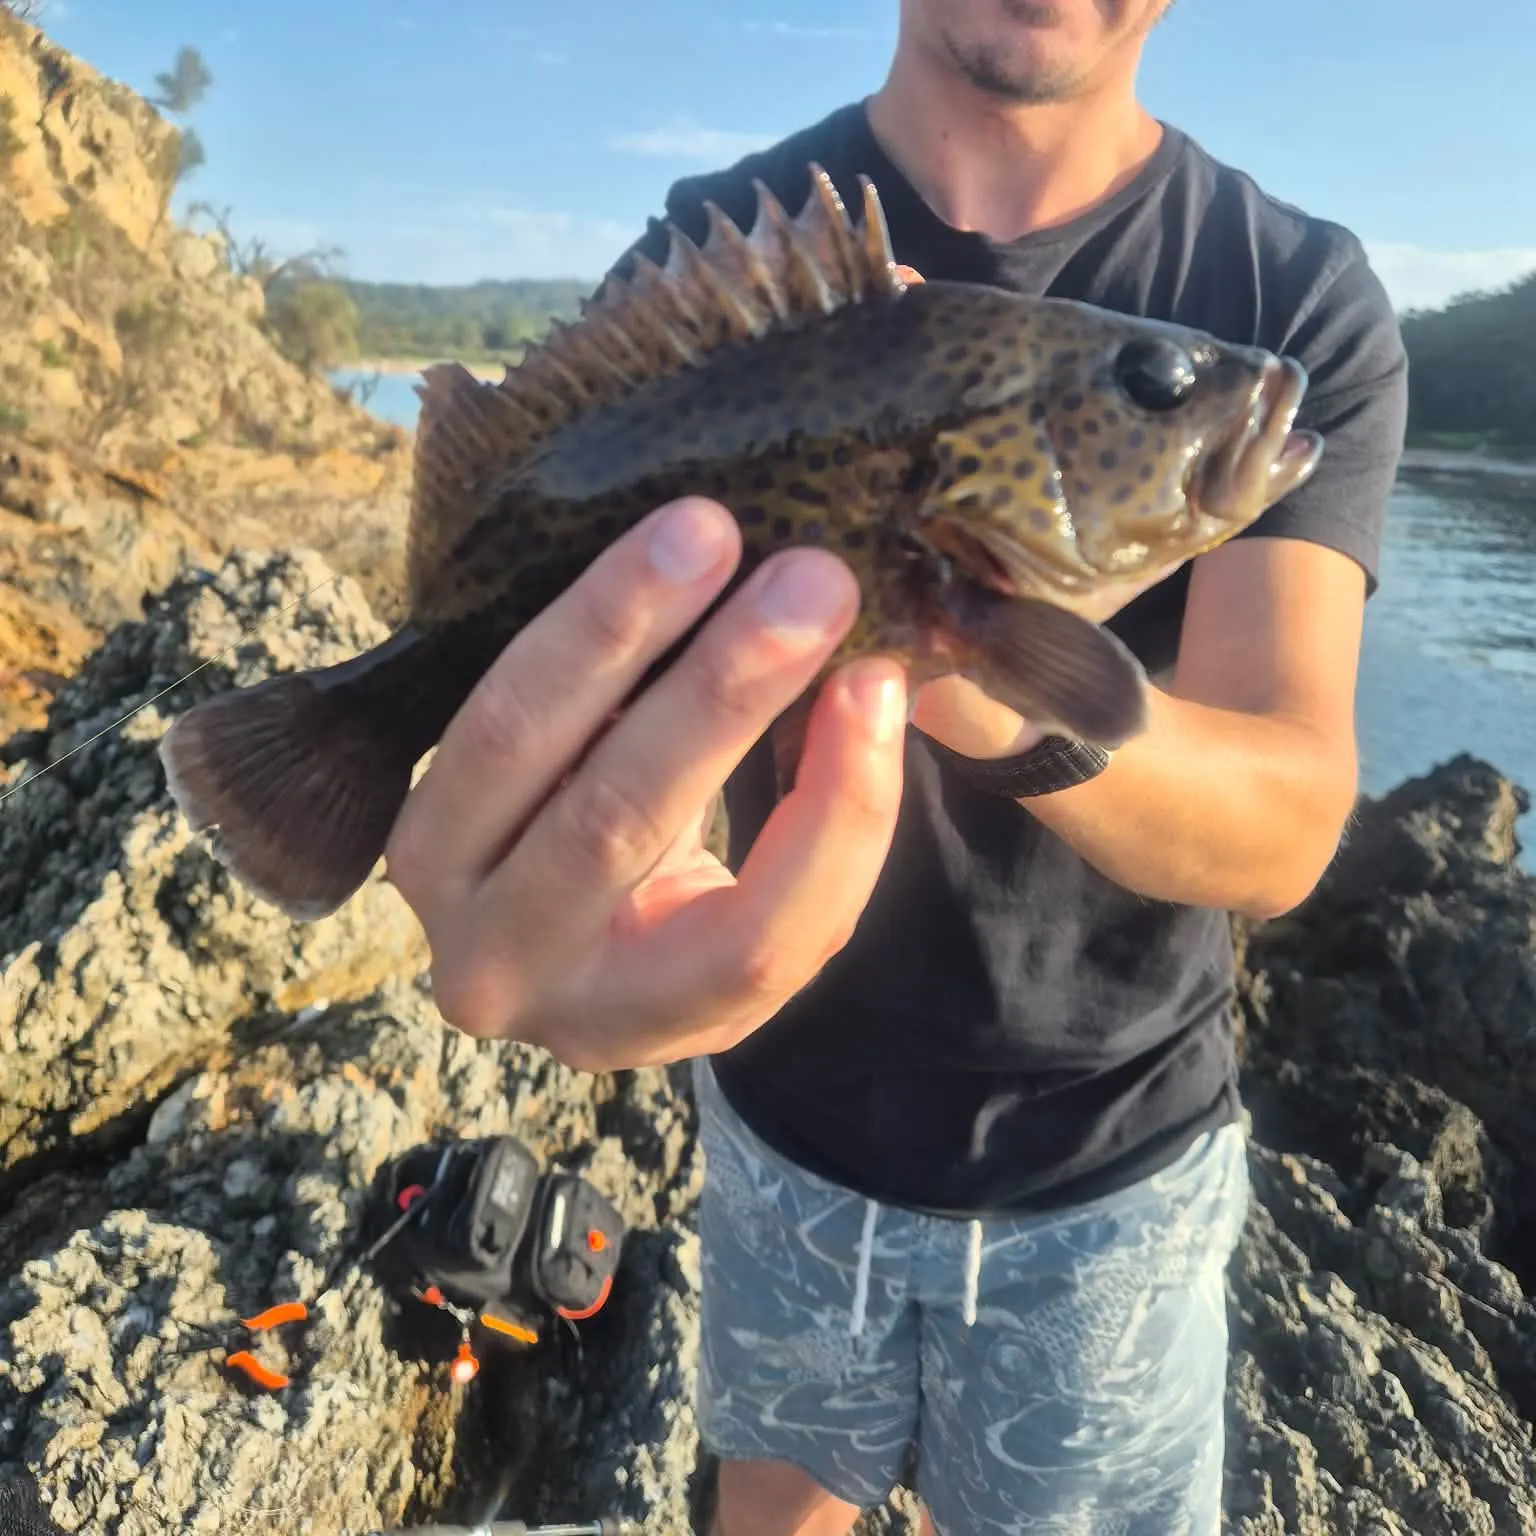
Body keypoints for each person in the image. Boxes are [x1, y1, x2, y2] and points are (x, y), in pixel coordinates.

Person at [384, 1, 1409, 1531]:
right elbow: (527, 618)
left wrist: (969, 660)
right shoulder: (722, 245)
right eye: (1150, 387)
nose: (1188, 397)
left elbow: (1284, 822)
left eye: (1153, 384)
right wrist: (548, 889)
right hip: (781, 1137)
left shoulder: (1292, 297)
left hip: (1108, 1182)